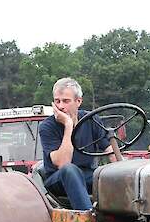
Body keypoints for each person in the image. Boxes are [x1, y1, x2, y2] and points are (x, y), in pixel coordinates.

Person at [38, 77, 119, 210]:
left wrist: (124, 172)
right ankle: (87, 220)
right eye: (57, 101)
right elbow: (63, 163)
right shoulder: (47, 127)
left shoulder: (91, 120)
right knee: (70, 170)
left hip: (88, 175)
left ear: (78, 101)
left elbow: (110, 151)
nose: (60, 106)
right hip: (59, 179)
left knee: (113, 175)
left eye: (66, 101)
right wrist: (68, 125)